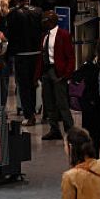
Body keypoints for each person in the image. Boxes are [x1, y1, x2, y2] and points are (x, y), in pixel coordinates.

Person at [6, 0, 44, 126]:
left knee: (24, 86)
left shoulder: (13, 14)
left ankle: (29, 115)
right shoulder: (38, 11)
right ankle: (38, 111)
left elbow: (10, 34)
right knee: (35, 84)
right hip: (37, 53)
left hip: (21, 54)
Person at [38, 10, 76, 141]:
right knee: (48, 102)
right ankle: (54, 129)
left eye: (46, 21)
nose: (44, 23)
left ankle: (70, 130)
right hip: (46, 71)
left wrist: (66, 74)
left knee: (62, 103)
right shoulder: (44, 36)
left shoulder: (63, 35)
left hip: (58, 72)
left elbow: (70, 57)